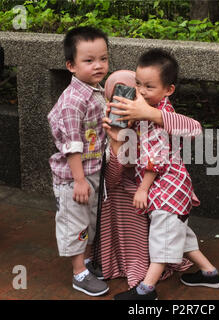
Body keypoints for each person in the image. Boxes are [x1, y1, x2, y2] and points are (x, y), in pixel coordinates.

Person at [111, 49, 219, 300]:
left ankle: (146, 290)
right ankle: (210, 273)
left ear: (168, 89)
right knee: (179, 234)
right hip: (171, 189)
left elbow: (157, 157)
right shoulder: (148, 109)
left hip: (167, 190)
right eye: (138, 84)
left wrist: (143, 189)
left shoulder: (161, 114)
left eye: (149, 86)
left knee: (162, 241)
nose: (140, 91)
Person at [93, 70, 202, 290]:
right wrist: (116, 139)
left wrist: (149, 114)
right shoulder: (110, 124)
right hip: (127, 201)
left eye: (134, 95)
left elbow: (195, 129)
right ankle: (208, 272)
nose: (128, 102)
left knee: (169, 233)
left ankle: (147, 287)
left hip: (156, 193)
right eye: (118, 98)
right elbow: (113, 180)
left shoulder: (153, 119)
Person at [47, 26, 110, 297]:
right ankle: (78, 273)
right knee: (76, 224)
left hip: (92, 171)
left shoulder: (95, 90)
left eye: (103, 59)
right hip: (75, 176)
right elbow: (72, 144)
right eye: (89, 60)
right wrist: (80, 180)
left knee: (89, 223)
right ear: (71, 66)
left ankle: (85, 262)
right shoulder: (74, 100)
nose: (98, 65)